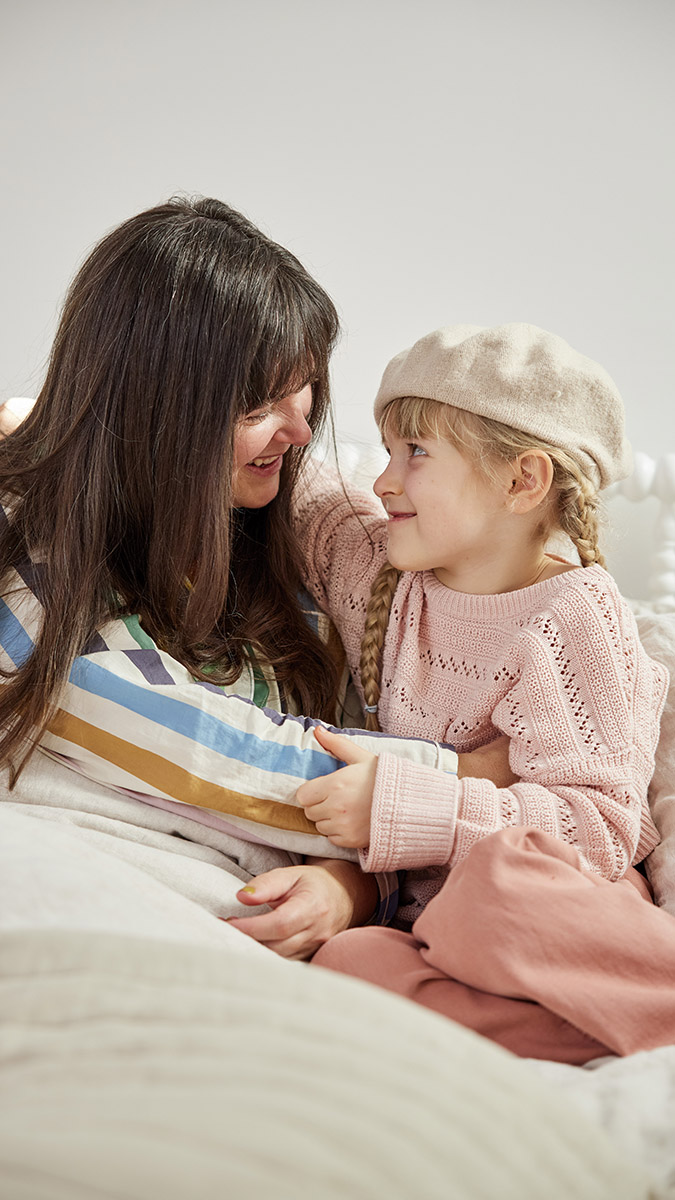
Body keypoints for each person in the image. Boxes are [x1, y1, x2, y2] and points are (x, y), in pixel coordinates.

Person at [1, 201, 508, 962]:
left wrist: (354, 886)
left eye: (303, 391)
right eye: (261, 404)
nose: (301, 429)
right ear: (158, 407)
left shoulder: (279, 544)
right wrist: (467, 779)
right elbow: (201, 747)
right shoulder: (28, 543)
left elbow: (335, 734)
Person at [288, 323, 674, 1061]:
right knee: (346, 961)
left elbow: (599, 831)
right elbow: (306, 490)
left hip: (551, 917)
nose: (383, 479)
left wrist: (410, 807)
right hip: (435, 939)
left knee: (491, 891)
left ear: (522, 481)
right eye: (389, 449)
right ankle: (590, 1032)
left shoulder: (573, 617)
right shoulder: (380, 574)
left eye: (416, 452)